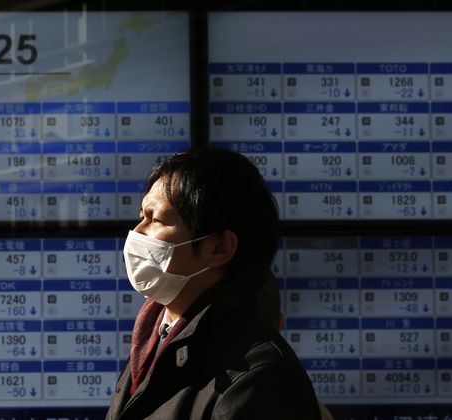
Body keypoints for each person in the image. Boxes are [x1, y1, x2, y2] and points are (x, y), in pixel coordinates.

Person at [106, 147, 321, 419]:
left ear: (219, 248)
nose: (137, 234)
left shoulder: (258, 377)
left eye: (156, 220)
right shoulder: (154, 340)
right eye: (141, 218)